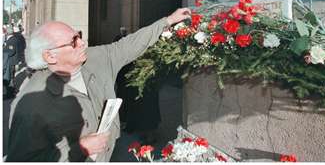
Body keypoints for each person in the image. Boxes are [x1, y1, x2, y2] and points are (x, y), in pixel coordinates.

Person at [7, 8, 190, 161]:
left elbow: (128, 45)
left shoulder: (96, 58)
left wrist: (168, 21)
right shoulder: (30, 104)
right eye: (73, 41)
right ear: (50, 56)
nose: (83, 43)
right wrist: (80, 148)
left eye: (79, 36)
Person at [114, 27, 161, 144]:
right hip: (138, 83)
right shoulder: (133, 47)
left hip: (148, 83)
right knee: (139, 108)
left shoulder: (150, 48)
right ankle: (143, 132)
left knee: (148, 110)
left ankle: (150, 136)